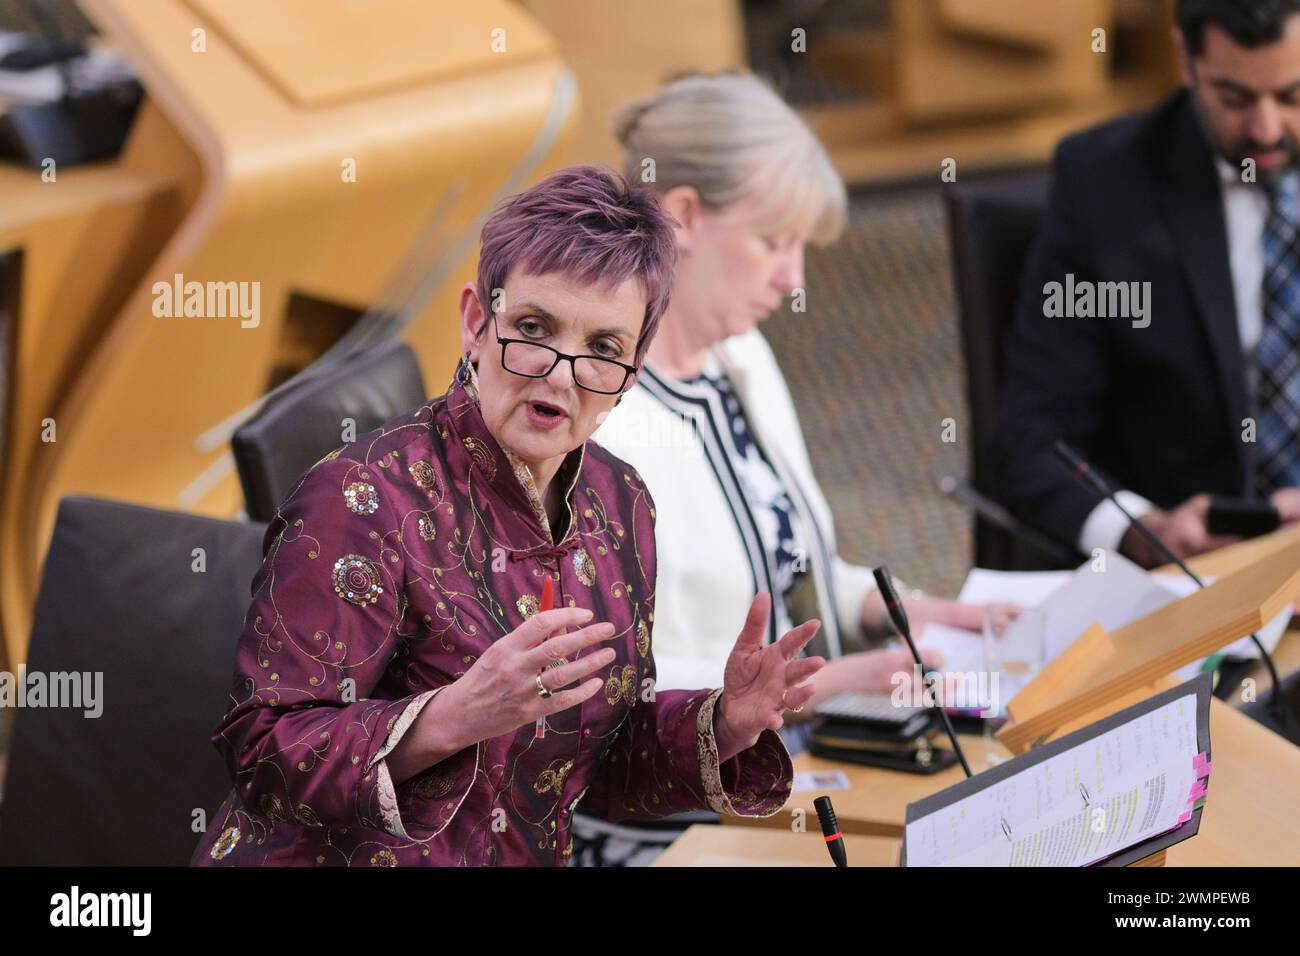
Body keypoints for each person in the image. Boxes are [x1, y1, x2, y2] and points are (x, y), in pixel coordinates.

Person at [190, 166, 823, 867]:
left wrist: (723, 723)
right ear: (473, 323)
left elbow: (593, 765)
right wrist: (454, 716)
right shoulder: (360, 498)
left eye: (603, 349)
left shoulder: (621, 505)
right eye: (532, 327)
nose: (560, 373)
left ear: (633, 375)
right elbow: (263, 756)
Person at [594, 72, 1008, 704]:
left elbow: (785, 569)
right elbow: (609, 686)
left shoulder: (740, 356)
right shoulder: (597, 422)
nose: (795, 279)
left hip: (808, 743)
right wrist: (828, 685)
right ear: (681, 218)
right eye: (773, 243)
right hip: (704, 786)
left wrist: (890, 609)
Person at [992, 0, 1300, 567]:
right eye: (1234, 98)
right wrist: (1140, 529)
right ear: (1186, 60)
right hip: (1204, 581)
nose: (1266, 128)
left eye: (1292, 96)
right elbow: (1032, 439)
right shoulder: (1104, 187)